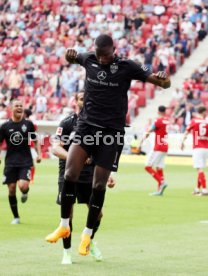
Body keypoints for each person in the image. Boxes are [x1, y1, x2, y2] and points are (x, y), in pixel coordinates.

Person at [45, 34, 171, 255]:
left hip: (111, 132)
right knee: (69, 175)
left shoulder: (127, 66)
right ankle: (64, 226)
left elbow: (163, 83)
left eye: (105, 56)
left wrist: (164, 79)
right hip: (86, 127)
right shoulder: (88, 58)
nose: (101, 60)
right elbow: (71, 58)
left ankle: (87, 233)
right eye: (98, 55)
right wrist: (68, 55)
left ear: (114, 49)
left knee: (98, 186)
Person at [51, 92, 115, 264]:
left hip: (90, 174)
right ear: (76, 101)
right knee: (68, 215)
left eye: (87, 98)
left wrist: (108, 174)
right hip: (69, 173)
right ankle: (67, 252)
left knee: (98, 215)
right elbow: (55, 148)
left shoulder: (98, 125)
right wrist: (74, 158)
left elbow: (105, 151)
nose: (85, 101)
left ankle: (89, 240)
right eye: (81, 98)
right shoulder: (67, 123)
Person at [0, 99, 41, 224]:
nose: (19, 108)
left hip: (25, 161)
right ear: (11, 109)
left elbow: (36, 140)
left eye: (21, 106)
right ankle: (16, 217)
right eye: (16, 106)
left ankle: (25, 192)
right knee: (11, 189)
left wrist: (39, 154)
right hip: (10, 162)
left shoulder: (28, 124)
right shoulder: (5, 126)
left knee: (23, 186)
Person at [138, 106, 169, 196]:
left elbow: (149, 131)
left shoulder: (157, 121)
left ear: (158, 111)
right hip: (165, 146)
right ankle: (159, 191)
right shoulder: (167, 121)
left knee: (147, 167)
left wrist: (141, 142)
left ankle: (162, 182)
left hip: (158, 147)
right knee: (159, 168)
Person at [181, 106, 208, 196]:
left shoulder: (194, 121)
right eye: (205, 112)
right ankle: (197, 189)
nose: (206, 113)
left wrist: (182, 142)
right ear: (203, 112)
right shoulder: (206, 122)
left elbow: (186, 131)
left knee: (199, 168)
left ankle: (204, 190)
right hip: (206, 148)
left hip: (197, 147)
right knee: (200, 168)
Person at [24, 108, 37, 184]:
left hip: (28, 145)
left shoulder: (29, 123)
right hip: (29, 145)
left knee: (31, 163)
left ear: (25, 114)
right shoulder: (32, 123)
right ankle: (31, 178)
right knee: (31, 163)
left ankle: (31, 178)